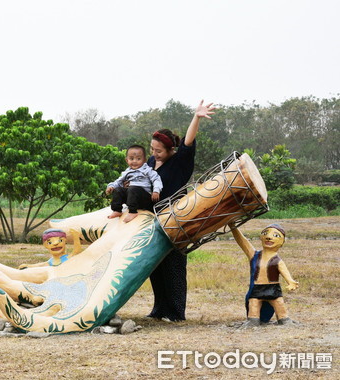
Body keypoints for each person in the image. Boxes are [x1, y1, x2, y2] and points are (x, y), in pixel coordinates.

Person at [146, 100, 216, 321]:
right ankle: (159, 309)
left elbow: (188, 143)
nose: (154, 153)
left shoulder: (179, 162)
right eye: (152, 149)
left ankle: (175, 313)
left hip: (176, 220)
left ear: (171, 150)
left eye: (159, 151)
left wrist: (196, 117)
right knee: (155, 268)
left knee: (173, 267)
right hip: (152, 221)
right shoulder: (149, 162)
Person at [229, 223, 299, 327]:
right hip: (257, 288)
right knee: (253, 304)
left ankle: (284, 320)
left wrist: (290, 281)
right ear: (261, 237)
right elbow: (243, 242)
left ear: (282, 242)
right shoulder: (254, 255)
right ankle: (253, 320)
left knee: (279, 305)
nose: (269, 237)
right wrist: (233, 227)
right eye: (265, 233)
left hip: (273, 288)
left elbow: (285, 272)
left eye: (275, 235)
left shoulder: (278, 260)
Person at [106, 145, 163, 223]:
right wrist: (111, 186)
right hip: (131, 196)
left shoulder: (147, 170)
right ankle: (117, 210)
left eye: (138, 159)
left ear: (144, 160)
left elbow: (156, 179)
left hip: (144, 198)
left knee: (133, 188)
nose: (134, 161)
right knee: (118, 190)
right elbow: (118, 181)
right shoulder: (127, 172)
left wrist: (156, 191)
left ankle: (133, 212)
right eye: (131, 159)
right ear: (127, 160)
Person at [18, 228, 83, 269]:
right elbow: (41, 265)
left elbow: (76, 253)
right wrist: (29, 266)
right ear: (45, 245)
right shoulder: (51, 262)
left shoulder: (67, 259)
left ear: (65, 241)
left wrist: (76, 238)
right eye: (49, 242)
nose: (55, 244)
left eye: (60, 240)